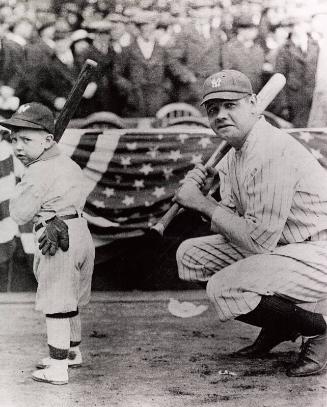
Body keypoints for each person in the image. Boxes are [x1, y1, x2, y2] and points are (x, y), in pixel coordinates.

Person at [174, 69, 327, 377]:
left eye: (231, 105)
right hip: (283, 249)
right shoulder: (234, 153)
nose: (221, 115)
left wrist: (200, 203)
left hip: (317, 252)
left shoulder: (272, 150)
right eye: (213, 109)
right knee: (190, 257)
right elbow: (233, 224)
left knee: (224, 288)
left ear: (255, 104)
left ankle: (320, 330)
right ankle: (281, 324)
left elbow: (257, 241)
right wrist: (207, 202)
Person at [2, 103, 95, 385]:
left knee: (56, 302)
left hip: (56, 235)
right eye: (14, 138)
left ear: (48, 140)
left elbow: (20, 213)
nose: (18, 146)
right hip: (80, 231)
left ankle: (57, 368)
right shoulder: (66, 162)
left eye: (26, 139)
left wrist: (23, 185)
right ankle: (72, 352)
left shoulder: (38, 171)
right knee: (71, 298)